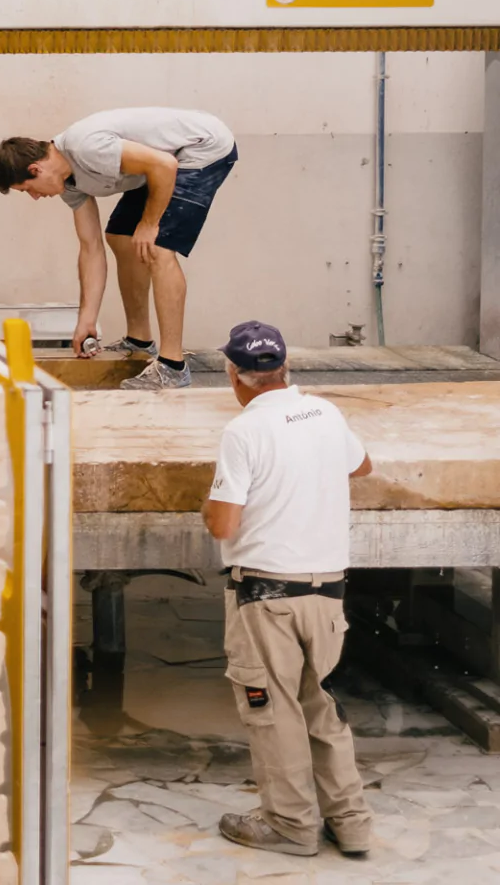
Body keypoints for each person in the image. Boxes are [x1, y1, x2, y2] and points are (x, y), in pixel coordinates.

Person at [203, 319, 374, 860]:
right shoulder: (324, 412)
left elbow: (224, 525)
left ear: (234, 375)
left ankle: (291, 825)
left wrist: (210, 502)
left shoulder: (243, 432)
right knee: (318, 705)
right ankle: (351, 824)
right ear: (285, 368)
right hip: (327, 596)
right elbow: (361, 465)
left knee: (272, 709)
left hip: (267, 599)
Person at [0, 108, 236, 391]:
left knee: (157, 247)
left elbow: (165, 165)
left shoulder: (86, 147)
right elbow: (90, 248)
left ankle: (173, 367)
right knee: (119, 236)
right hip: (159, 167)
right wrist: (86, 320)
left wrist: (149, 222)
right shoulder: (69, 185)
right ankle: (140, 341)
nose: (35, 197)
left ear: (36, 169)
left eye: (27, 189)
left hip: (202, 148)